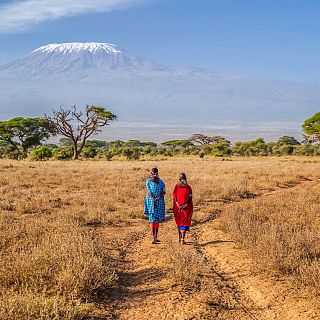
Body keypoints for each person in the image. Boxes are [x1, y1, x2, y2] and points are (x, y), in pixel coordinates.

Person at [144, 167, 166, 244]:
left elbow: (164, 192)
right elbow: (149, 191)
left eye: (156, 174)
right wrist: (153, 198)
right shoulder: (148, 181)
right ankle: (153, 237)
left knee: (157, 220)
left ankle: (156, 237)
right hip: (150, 202)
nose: (155, 175)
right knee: (152, 219)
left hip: (159, 202)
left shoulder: (161, 182)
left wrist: (158, 197)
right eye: (153, 174)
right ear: (151, 174)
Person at [172, 173, 193, 244]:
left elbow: (174, 197)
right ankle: (182, 239)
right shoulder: (188, 187)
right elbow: (190, 198)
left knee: (180, 222)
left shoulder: (177, 186)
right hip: (185, 208)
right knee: (183, 222)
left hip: (179, 208)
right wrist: (184, 205)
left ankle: (180, 238)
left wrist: (179, 206)